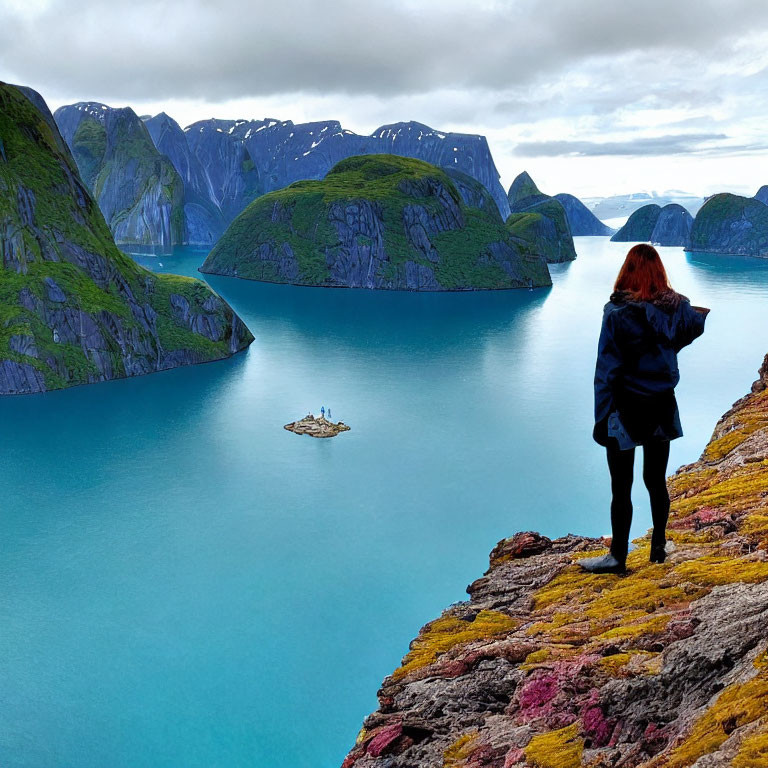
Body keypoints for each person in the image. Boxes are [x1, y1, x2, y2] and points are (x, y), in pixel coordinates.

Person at [580, 244, 709, 575]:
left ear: (627, 271)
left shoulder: (617, 314)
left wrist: (601, 418)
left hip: (623, 410)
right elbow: (692, 324)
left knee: (621, 487)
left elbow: (606, 371)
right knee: (656, 480)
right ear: (659, 273)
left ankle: (618, 557)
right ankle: (658, 549)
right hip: (661, 406)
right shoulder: (675, 309)